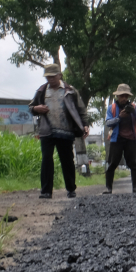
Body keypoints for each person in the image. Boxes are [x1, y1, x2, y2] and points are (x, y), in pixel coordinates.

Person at [29, 64, 90, 199]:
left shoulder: (70, 91)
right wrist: (36, 108)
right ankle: (46, 191)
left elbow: (81, 109)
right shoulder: (42, 91)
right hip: (47, 130)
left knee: (67, 160)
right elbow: (31, 107)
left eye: (52, 76)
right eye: (47, 77)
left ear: (59, 75)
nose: (50, 79)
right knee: (46, 160)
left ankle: (71, 189)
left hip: (66, 131)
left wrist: (85, 124)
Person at [103, 84, 136, 194]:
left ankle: (135, 187)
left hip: (131, 139)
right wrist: (119, 118)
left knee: (134, 164)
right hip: (116, 139)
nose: (124, 98)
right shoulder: (111, 108)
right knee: (112, 163)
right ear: (117, 96)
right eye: (122, 96)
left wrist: (134, 112)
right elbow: (108, 122)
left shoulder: (133, 107)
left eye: (126, 96)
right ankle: (108, 188)